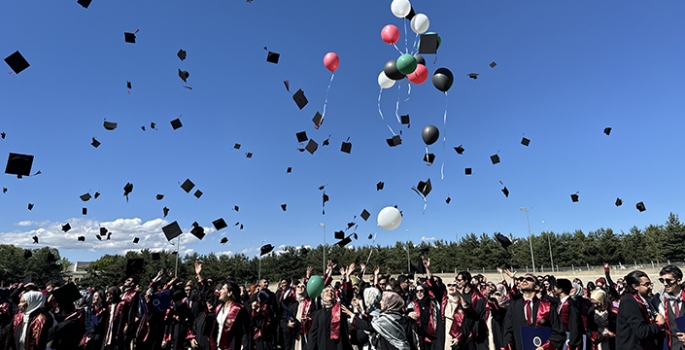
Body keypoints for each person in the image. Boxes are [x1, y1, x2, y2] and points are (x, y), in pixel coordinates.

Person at [502, 273, 566, 350]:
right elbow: (508, 332)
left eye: (529, 279)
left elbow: (559, 333)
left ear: (536, 287)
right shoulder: (513, 307)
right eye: (522, 279)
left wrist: (544, 347)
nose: (524, 280)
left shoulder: (547, 307)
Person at [343, 291, 411, 350]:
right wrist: (360, 309)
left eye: (383, 300)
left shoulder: (388, 319)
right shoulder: (395, 316)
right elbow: (371, 320)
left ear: (389, 304)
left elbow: (369, 326)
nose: (380, 302)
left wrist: (351, 315)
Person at [616, 270, 664, 350]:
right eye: (646, 285)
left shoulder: (645, 300)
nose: (651, 287)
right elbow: (641, 331)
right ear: (635, 286)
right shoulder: (629, 301)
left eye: (650, 284)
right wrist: (659, 324)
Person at [307, 285, 352, 350]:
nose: (330, 292)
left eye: (332, 291)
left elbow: (347, 298)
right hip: (323, 345)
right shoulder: (318, 314)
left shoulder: (340, 310)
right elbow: (313, 332)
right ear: (322, 295)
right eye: (327, 291)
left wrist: (346, 280)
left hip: (338, 346)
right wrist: (311, 347)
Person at [652, 265, 685, 350]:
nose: (665, 284)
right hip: (670, 345)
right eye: (662, 280)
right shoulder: (658, 300)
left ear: (679, 281)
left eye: (668, 280)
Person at [212, 281, 251, 350]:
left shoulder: (239, 309)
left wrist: (244, 347)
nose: (220, 291)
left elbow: (246, 331)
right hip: (218, 347)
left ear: (230, 293)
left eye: (223, 289)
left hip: (232, 346)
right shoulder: (219, 308)